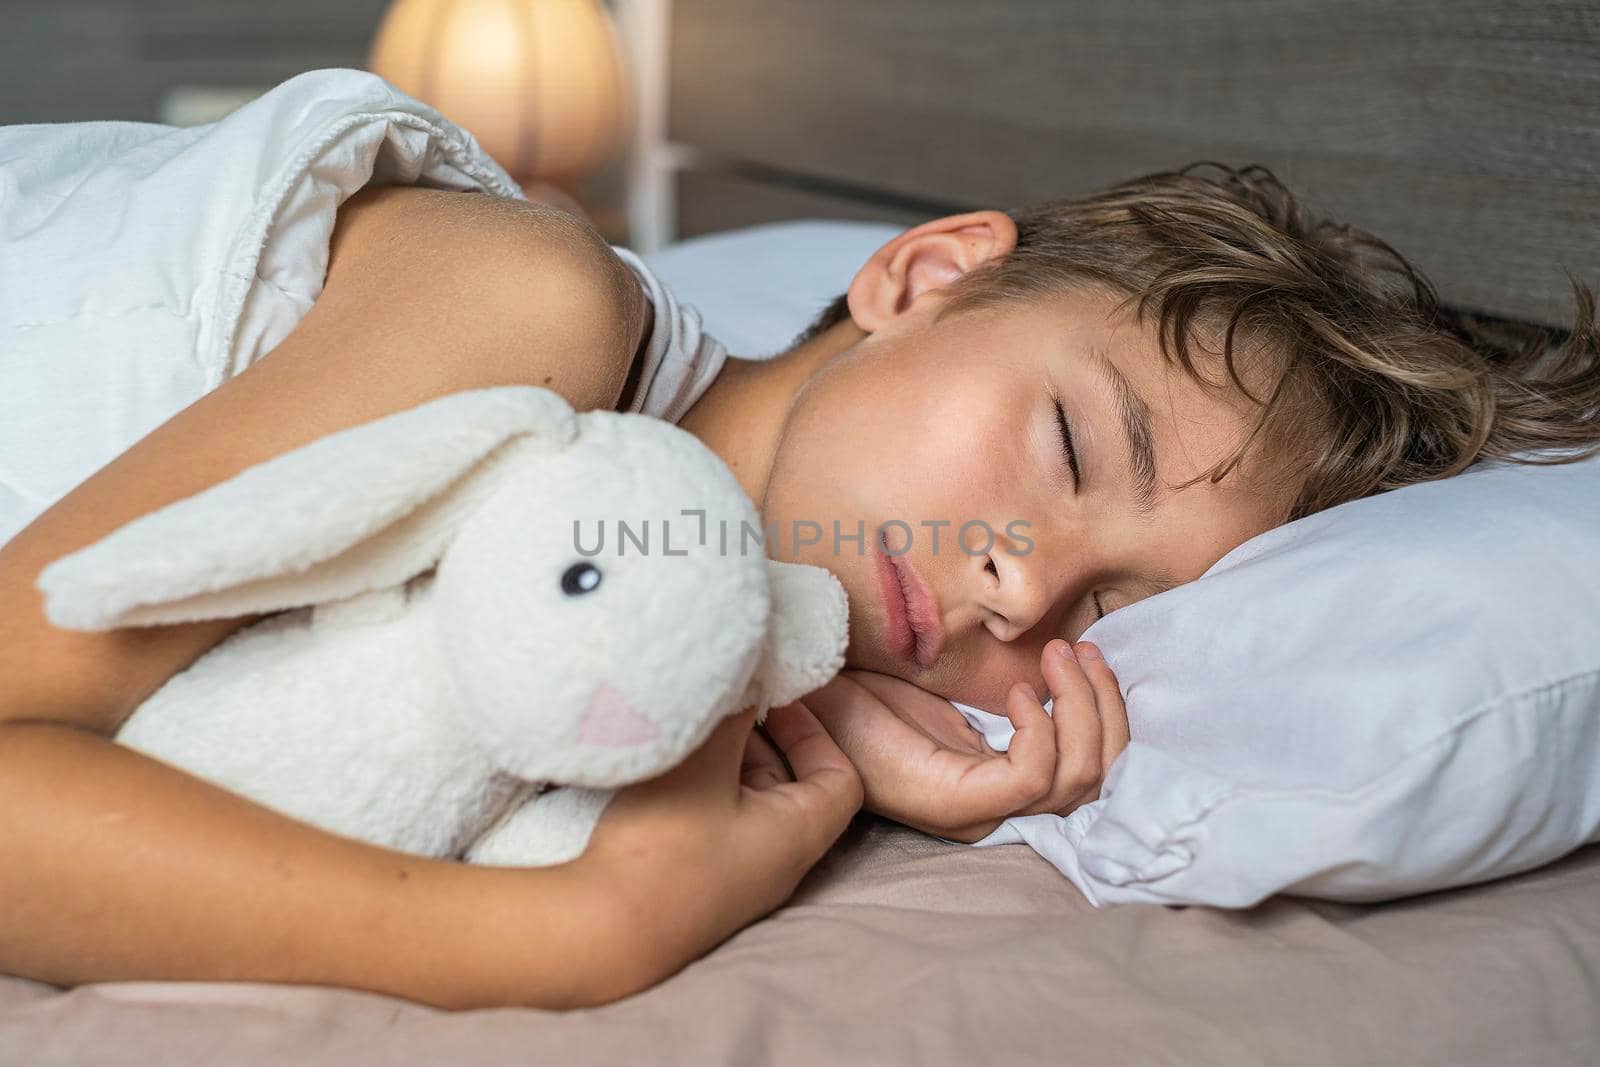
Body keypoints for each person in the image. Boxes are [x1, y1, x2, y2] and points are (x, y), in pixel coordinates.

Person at [1, 158, 1595, 1011]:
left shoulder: (667, 630)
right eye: (1061, 443)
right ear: (922, 276)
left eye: (1110, 615)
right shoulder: (525, 301)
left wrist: (811, 699)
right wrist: (573, 937)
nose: (1016, 590)